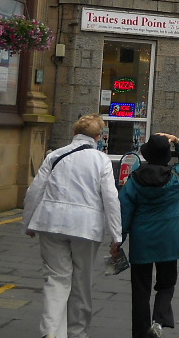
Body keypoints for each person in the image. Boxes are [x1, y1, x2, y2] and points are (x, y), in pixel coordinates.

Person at [23, 114, 122, 338]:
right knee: (81, 281)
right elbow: (110, 198)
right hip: (86, 227)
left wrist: (28, 223)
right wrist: (116, 235)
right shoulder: (101, 160)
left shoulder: (55, 155)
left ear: (75, 133)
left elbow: (34, 191)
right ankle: (77, 332)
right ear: (98, 137)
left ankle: (51, 331)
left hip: (50, 222)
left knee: (56, 278)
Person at [117, 132, 179, 338]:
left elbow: (124, 211)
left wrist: (118, 239)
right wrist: (177, 141)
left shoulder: (134, 180)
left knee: (140, 289)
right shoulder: (176, 176)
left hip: (142, 239)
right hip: (170, 239)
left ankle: (141, 333)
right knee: (167, 283)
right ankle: (158, 321)